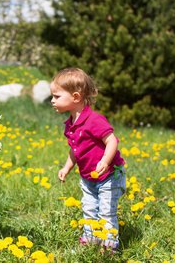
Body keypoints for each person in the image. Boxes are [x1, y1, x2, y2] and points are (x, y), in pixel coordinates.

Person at [50, 67, 126, 251]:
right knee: (89, 208)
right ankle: (91, 238)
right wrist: (67, 167)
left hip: (109, 175)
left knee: (106, 211)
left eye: (57, 96)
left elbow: (112, 141)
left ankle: (109, 245)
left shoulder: (94, 120)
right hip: (88, 177)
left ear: (75, 97)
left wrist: (105, 161)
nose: (52, 101)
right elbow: (75, 149)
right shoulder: (70, 124)